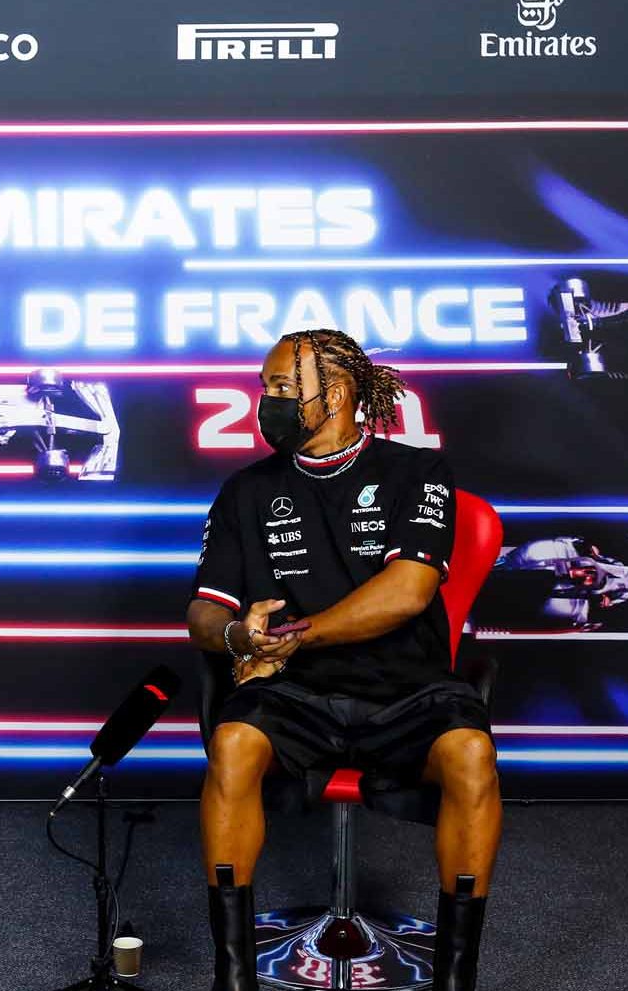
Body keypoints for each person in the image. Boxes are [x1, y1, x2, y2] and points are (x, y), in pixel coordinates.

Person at [190, 330, 501, 991]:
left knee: (471, 754)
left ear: (333, 395)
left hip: (408, 689)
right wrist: (241, 640)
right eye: (265, 387)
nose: (265, 401)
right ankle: (234, 974)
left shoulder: (418, 474)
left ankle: (455, 977)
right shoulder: (246, 491)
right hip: (291, 694)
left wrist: (295, 633)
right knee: (234, 744)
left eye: (280, 388)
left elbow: (408, 591)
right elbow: (205, 611)